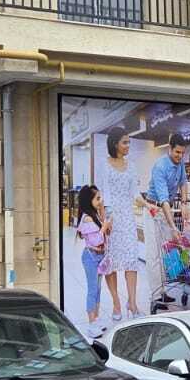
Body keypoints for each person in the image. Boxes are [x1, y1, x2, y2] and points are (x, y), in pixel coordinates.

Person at [94, 125, 146, 321]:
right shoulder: (104, 164)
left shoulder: (131, 166)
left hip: (127, 218)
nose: (128, 146)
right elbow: (100, 194)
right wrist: (103, 221)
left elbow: (135, 194)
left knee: (131, 261)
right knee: (111, 262)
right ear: (115, 144)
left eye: (129, 142)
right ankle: (116, 303)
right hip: (110, 218)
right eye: (125, 142)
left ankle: (132, 303)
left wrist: (149, 204)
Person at [72, 185, 110, 333]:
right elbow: (96, 241)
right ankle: (91, 323)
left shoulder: (94, 215)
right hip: (91, 257)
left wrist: (102, 212)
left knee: (98, 289)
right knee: (93, 289)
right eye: (97, 198)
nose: (100, 201)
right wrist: (104, 228)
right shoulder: (87, 218)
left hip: (99, 257)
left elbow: (105, 233)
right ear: (89, 200)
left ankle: (96, 318)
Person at [147, 133, 189, 237]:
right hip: (154, 209)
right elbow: (164, 199)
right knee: (155, 246)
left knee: (168, 244)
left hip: (168, 209)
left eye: (183, 153)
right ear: (170, 148)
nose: (180, 156)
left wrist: (184, 203)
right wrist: (173, 227)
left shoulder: (180, 163)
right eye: (177, 152)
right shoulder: (160, 167)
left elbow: (183, 182)